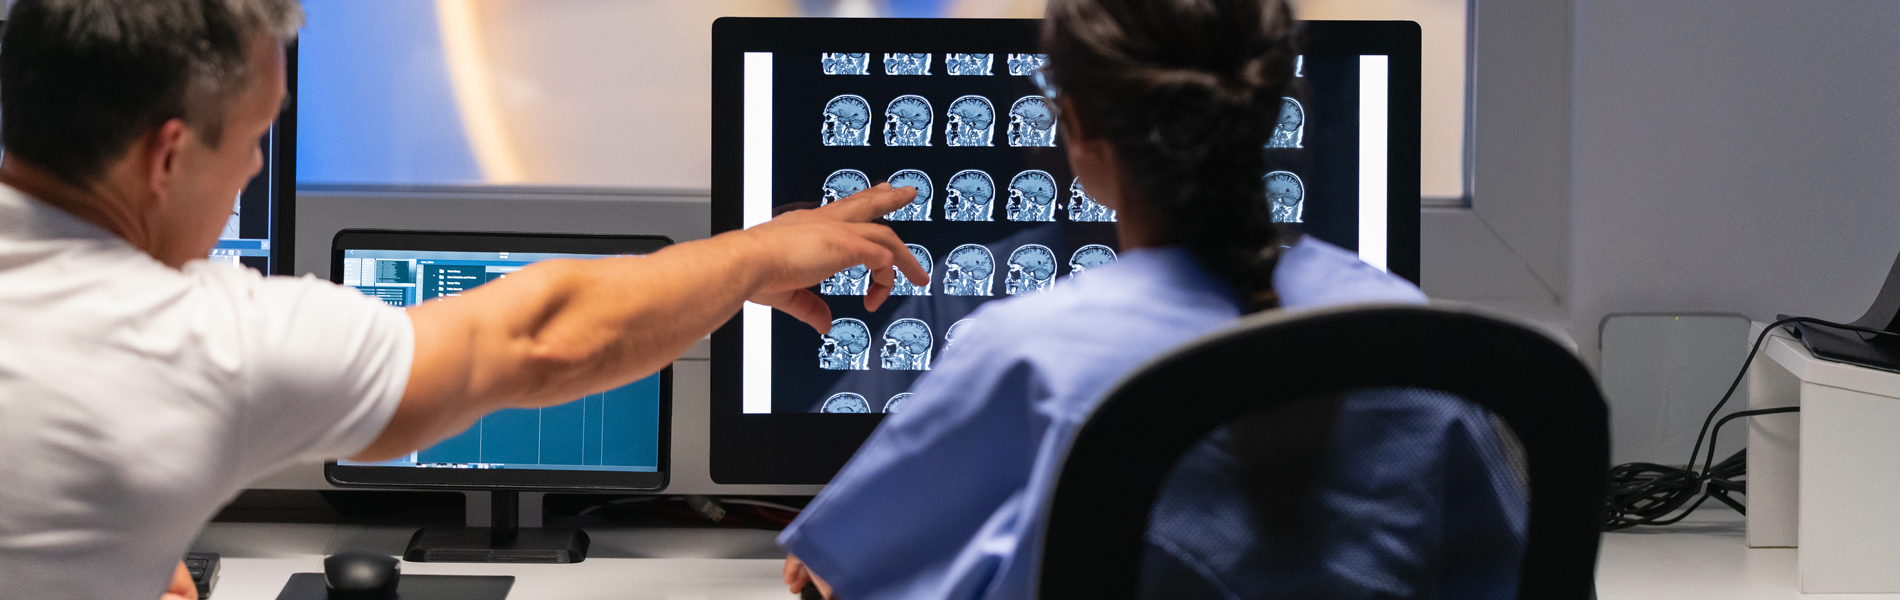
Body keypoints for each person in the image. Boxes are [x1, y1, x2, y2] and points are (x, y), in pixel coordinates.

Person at [0, 1, 925, 598]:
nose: (253, 170)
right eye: (250, 143)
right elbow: (543, 338)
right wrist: (757, 256)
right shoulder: (201, 343)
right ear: (165, 158)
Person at [777, 0, 1526, 599]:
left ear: (1073, 128)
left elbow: (843, 575)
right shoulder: (1409, 336)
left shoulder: (1024, 354)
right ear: (1273, 111)